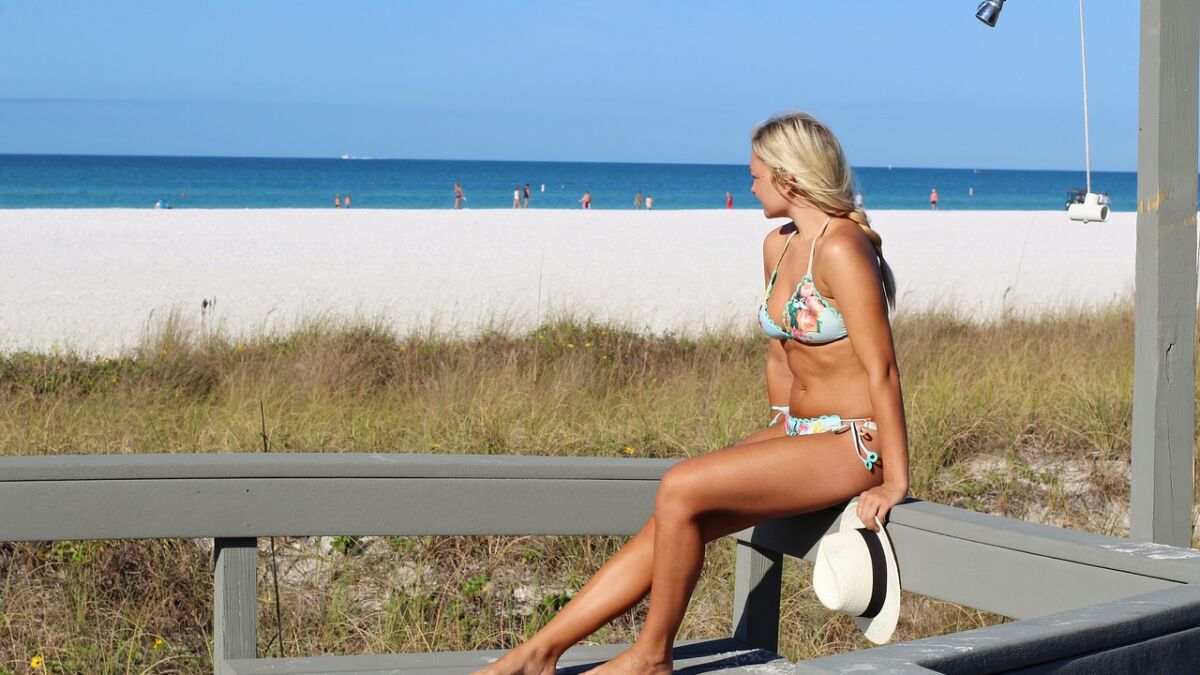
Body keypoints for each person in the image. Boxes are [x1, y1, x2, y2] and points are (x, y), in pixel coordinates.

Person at [476, 111, 909, 675]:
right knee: (675, 518)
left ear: (788, 178)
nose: (749, 186)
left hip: (854, 441)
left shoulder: (842, 248)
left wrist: (895, 480)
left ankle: (651, 657)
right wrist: (778, 423)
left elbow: (883, 370)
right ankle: (539, 653)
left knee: (680, 485)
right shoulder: (778, 246)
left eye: (756, 176)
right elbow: (780, 355)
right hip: (799, 430)